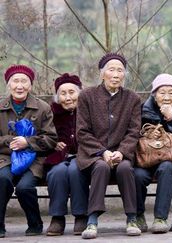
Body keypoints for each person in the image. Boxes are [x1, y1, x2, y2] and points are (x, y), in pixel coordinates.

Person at [76, 53, 142, 239]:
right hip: (93, 154)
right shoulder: (87, 96)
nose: (115, 74)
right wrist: (103, 151)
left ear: (124, 75)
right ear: (102, 74)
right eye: (111, 70)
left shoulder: (132, 99)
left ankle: (131, 218)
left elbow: (133, 131)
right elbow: (82, 132)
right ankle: (92, 220)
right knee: (101, 167)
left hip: (122, 154)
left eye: (120, 70)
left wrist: (121, 152)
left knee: (126, 168)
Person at [0, 65, 57, 238]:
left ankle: (35, 223)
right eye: (15, 81)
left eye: (24, 81)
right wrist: (10, 141)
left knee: (25, 187)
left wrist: (28, 142)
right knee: (2, 179)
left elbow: (51, 139)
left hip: (34, 159)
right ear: (8, 85)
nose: (20, 86)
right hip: (6, 158)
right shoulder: (1, 107)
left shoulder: (42, 108)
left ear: (30, 85)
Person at [134, 73, 172, 234]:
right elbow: (129, 136)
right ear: (154, 95)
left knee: (167, 168)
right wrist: (145, 134)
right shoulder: (141, 112)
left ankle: (160, 218)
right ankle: (138, 215)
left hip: (167, 161)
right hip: (144, 161)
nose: (167, 97)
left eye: (171, 93)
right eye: (162, 92)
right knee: (137, 175)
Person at [44, 73, 89, 236]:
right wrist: (53, 143)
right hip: (58, 157)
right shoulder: (50, 113)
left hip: (84, 155)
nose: (68, 97)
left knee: (75, 170)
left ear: (80, 93)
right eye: (63, 93)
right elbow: (42, 135)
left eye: (72, 92)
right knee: (58, 172)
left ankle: (81, 215)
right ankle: (57, 217)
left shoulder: (88, 110)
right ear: (57, 97)